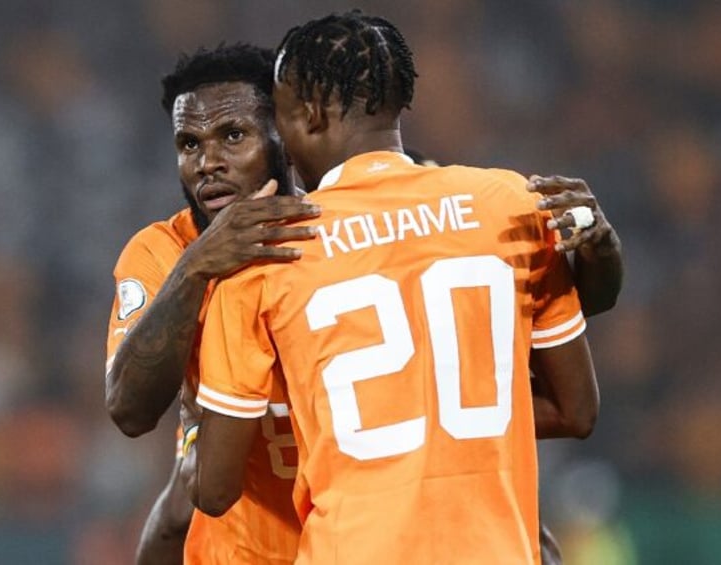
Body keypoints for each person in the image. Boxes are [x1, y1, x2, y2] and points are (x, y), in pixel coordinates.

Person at [189, 11, 600, 564]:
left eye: (280, 116)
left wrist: (196, 421)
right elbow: (577, 411)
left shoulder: (265, 250)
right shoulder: (512, 204)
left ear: (308, 113)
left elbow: (214, 489)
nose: (280, 142)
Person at [105, 44, 317, 564]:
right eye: (189, 144)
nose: (208, 163)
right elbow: (129, 410)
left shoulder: (339, 231)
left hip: (355, 541)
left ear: (284, 137)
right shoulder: (163, 252)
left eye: (234, 136)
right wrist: (197, 267)